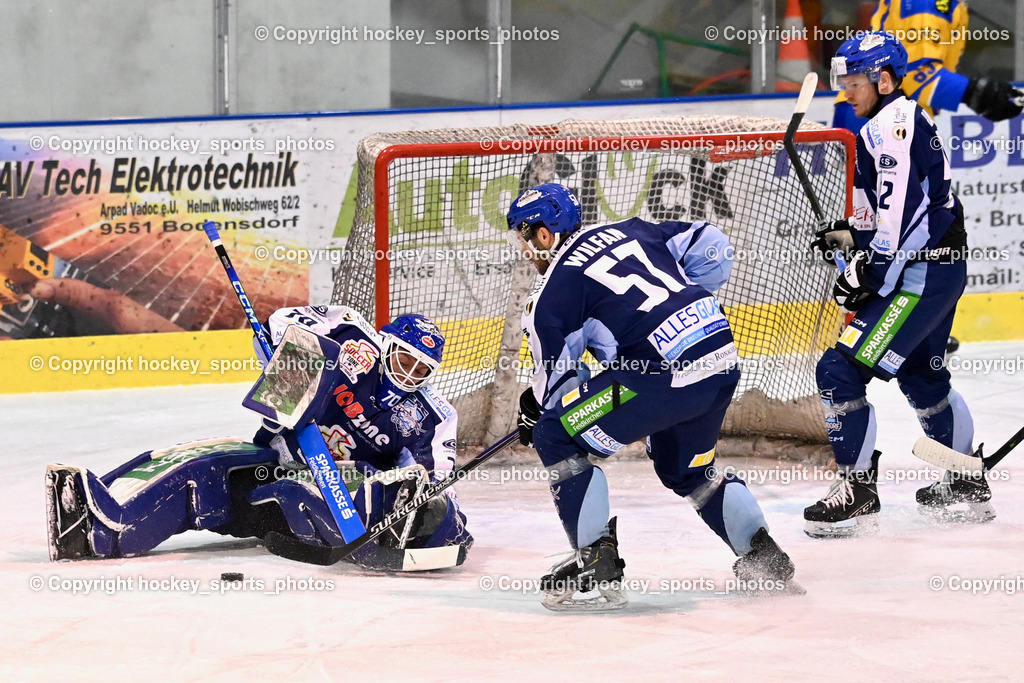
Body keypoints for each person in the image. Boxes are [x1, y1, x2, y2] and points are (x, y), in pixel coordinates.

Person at [505, 183, 794, 612]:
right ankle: (764, 558)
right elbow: (711, 244)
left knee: (555, 436)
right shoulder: (634, 228)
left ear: (545, 233)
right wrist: (682, 312)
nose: (526, 250)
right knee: (688, 471)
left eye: (526, 237)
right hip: (719, 355)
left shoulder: (551, 295)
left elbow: (559, 386)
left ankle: (595, 566)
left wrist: (541, 409)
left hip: (658, 375)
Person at [45, 305, 471, 571]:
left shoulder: (432, 417)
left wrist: (421, 513)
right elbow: (282, 320)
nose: (409, 374)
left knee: (391, 486)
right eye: (405, 359)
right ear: (385, 343)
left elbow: (435, 484)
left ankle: (390, 529)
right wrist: (297, 356)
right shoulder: (349, 333)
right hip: (271, 465)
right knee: (202, 465)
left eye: (421, 371)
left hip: (336, 499)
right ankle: (98, 525)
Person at [805, 32, 993, 538]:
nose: (845, 89)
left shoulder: (894, 126)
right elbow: (897, 211)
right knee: (922, 376)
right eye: (841, 80)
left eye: (854, 80)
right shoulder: (890, 122)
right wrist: (855, 238)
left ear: (884, 79)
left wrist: (868, 274)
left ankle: (857, 489)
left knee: (837, 370)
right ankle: (964, 481)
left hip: (922, 272)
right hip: (934, 266)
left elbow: (905, 218)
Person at [832, 0, 1022, 133]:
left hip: (884, 115)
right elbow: (915, 73)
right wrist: (976, 93)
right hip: (875, 117)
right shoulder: (925, 2)